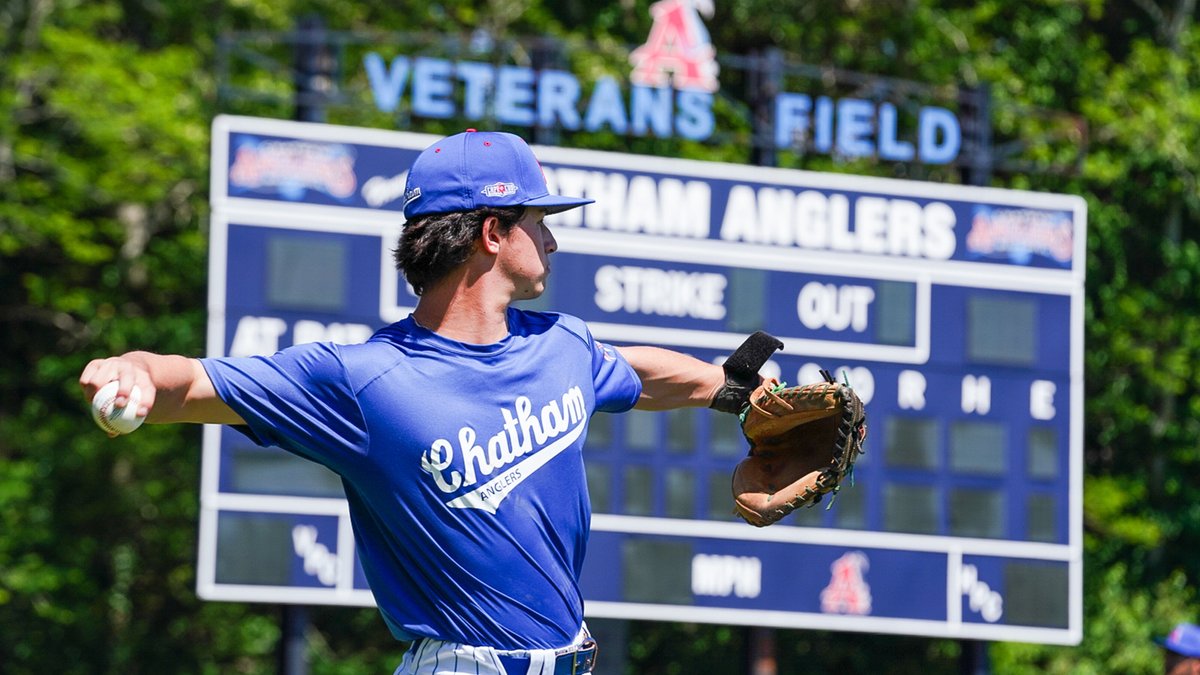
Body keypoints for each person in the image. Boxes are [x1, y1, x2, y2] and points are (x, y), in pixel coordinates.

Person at [79, 129, 772, 675]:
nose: (553, 238)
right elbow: (196, 383)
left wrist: (732, 387)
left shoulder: (563, 346)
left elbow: (637, 373)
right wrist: (134, 368)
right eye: (539, 220)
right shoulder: (365, 380)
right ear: (492, 232)